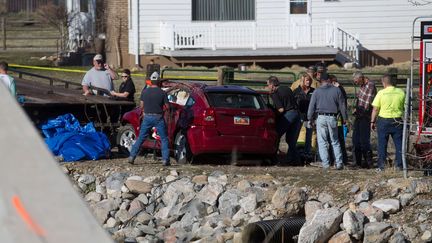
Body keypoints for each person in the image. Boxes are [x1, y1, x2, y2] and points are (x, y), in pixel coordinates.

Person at [128, 72, 170, 166]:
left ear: (151, 81)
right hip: (158, 117)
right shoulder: (162, 93)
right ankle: (165, 160)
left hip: (147, 117)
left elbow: (141, 105)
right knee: (163, 139)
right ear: (158, 81)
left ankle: (132, 157)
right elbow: (167, 107)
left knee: (141, 138)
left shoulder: (145, 92)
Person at [307, 72, 348, 170]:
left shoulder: (317, 91)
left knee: (322, 142)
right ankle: (339, 163)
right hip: (332, 117)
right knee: (335, 141)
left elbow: (311, 106)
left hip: (320, 117)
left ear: (321, 81)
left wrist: (310, 118)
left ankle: (325, 164)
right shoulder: (337, 90)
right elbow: (342, 106)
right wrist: (345, 118)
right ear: (329, 80)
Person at [370, 74, 405, 172]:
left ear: (383, 82)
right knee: (399, 144)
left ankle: (381, 166)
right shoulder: (401, 92)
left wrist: (372, 121)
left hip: (384, 120)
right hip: (397, 120)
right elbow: (404, 106)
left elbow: (375, 109)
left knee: (382, 144)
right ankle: (399, 165)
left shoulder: (381, 93)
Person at [267, 76, 302, 165]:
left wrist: (274, 114)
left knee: (276, 135)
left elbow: (281, 110)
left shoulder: (274, 93)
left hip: (288, 115)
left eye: (268, 85)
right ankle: (295, 160)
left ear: (272, 85)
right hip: (297, 114)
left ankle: (273, 157)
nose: (267, 87)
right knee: (291, 140)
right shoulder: (287, 89)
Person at [352, 71, 377, 168]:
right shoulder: (362, 86)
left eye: (356, 81)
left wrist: (360, 112)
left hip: (365, 116)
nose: (356, 83)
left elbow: (367, 103)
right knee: (355, 139)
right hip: (359, 115)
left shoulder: (370, 85)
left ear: (361, 78)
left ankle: (368, 162)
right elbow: (360, 100)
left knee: (364, 140)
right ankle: (357, 162)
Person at [293, 73, 315, 162]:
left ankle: (307, 152)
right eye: (307, 80)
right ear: (302, 81)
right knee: (296, 134)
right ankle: (294, 151)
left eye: (309, 80)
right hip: (299, 116)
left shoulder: (314, 91)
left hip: (310, 117)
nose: (308, 82)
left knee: (309, 135)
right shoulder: (296, 91)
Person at [329, 74, 348, 165]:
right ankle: (335, 159)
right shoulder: (338, 89)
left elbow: (343, 104)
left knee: (338, 140)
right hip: (336, 119)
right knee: (336, 141)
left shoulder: (339, 90)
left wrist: (344, 119)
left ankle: (342, 160)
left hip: (338, 119)